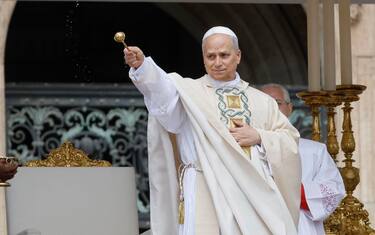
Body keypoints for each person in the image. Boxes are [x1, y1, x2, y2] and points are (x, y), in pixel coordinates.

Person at [124, 26, 301, 235]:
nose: (217, 62)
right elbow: (162, 91)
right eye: (211, 56)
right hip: (203, 184)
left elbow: (290, 140)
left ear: (238, 56)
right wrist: (143, 67)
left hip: (252, 195)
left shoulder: (262, 101)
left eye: (224, 55)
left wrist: (259, 136)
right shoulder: (188, 94)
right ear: (203, 58)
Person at [260, 83, 345, 235]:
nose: (271, 108)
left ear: (290, 108)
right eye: (264, 103)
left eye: (277, 103)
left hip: (302, 226)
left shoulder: (315, 151)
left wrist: (290, 190)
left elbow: (333, 190)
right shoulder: (247, 149)